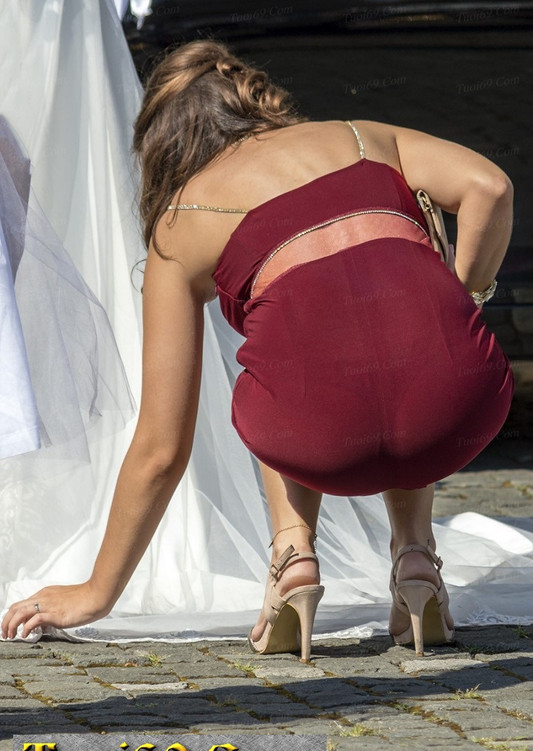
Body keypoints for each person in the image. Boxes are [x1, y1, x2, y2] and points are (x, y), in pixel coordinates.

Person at [1, 37, 516, 660]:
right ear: (254, 97)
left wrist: (96, 593)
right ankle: (416, 557)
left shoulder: (181, 223)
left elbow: (162, 448)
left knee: (285, 350)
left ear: (163, 145)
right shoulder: (362, 137)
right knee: (389, 296)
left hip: (318, 439)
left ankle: (292, 555)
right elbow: (490, 186)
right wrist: (459, 303)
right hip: (459, 410)